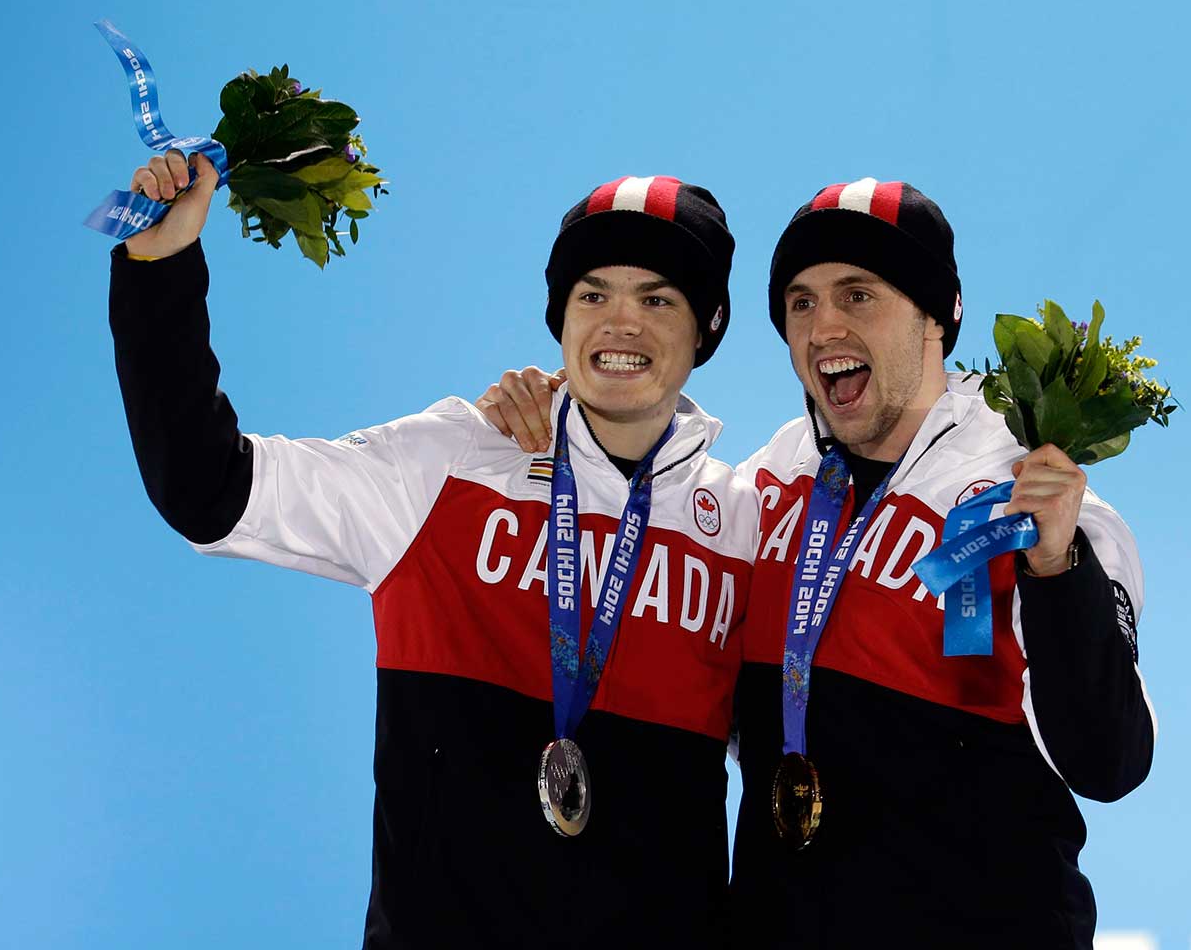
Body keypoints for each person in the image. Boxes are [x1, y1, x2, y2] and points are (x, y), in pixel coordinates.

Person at [478, 177, 1156, 949]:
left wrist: (1056, 568)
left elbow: (1110, 762)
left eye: (857, 295)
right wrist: (545, 414)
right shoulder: (766, 484)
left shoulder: (1032, 499)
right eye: (800, 302)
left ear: (937, 315)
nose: (823, 324)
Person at [109, 154, 759, 949]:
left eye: (657, 298)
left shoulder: (748, 524)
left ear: (709, 327)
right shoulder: (448, 461)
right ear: (560, 319)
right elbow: (204, 486)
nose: (620, 323)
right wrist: (158, 266)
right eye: (593, 295)